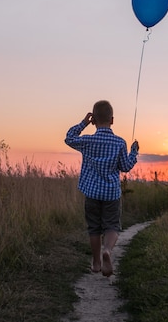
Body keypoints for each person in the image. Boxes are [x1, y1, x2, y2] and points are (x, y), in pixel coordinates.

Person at [64, 100, 139, 277]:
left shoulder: (88, 141)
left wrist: (83, 123)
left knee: (94, 228)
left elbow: (69, 138)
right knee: (112, 226)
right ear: (112, 120)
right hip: (111, 193)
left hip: (91, 193)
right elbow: (126, 166)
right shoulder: (119, 143)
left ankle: (97, 263)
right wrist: (134, 152)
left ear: (94, 121)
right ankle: (108, 251)